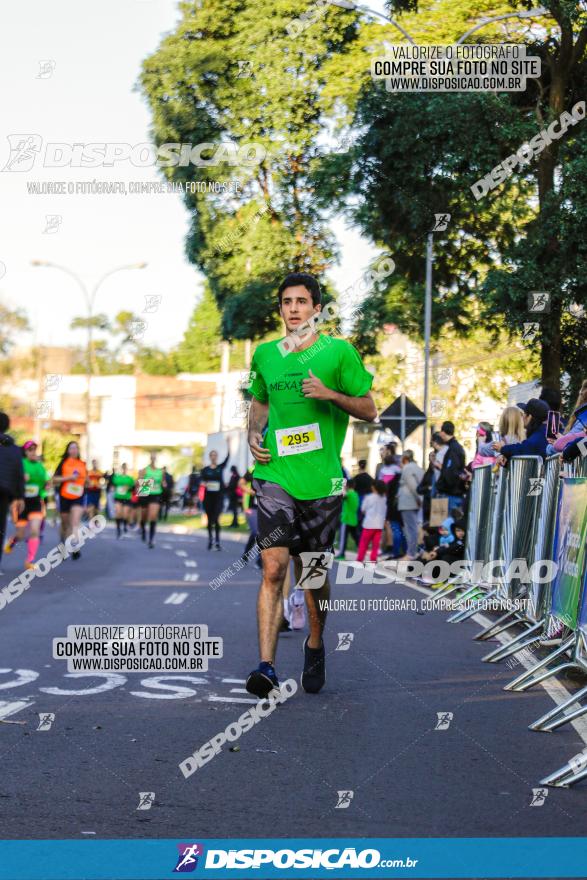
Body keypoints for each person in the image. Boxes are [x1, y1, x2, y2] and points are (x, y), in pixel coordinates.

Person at [245, 271, 377, 698]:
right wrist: (252, 435)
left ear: (316, 309)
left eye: (302, 301)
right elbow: (260, 399)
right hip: (275, 476)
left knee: (314, 575)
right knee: (273, 568)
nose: (294, 309)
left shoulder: (337, 353)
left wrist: (330, 394)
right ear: (281, 307)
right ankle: (266, 666)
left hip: (323, 481)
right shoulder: (265, 355)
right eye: (287, 302)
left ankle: (315, 644)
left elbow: (371, 409)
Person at [4, 441, 50, 569]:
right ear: (25, 452)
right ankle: (12, 542)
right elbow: (11, 479)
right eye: (30, 450)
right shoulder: (21, 464)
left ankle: (29, 560)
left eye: (34, 449)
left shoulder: (40, 466)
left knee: (35, 530)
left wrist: (47, 485)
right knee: (21, 534)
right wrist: (20, 478)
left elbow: (45, 481)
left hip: (35, 501)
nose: (33, 452)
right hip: (21, 502)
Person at [53, 440, 87, 560]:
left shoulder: (82, 464)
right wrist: (69, 478)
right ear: (68, 450)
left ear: (78, 451)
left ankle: (75, 547)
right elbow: (54, 479)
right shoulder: (63, 463)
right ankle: (63, 544)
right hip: (64, 496)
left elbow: (85, 480)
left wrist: (87, 482)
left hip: (78, 496)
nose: (74, 450)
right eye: (71, 448)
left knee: (75, 522)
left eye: (76, 448)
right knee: (65, 524)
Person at [396, 450, 425, 559]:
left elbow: (412, 485)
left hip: (408, 501)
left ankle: (411, 553)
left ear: (405, 459)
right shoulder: (418, 468)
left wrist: (418, 498)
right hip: (414, 501)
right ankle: (413, 551)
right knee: (414, 527)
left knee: (410, 529)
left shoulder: (407, 468)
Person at [435, 421, 466, 512]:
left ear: (443, 433)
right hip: (453, 492)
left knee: (449, 522)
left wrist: (443, 485)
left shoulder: (453, 449)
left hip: (451, 493)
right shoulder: (454, 447)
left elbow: (452, 471)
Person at [356, 480, 386, 562]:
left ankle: (359, 559)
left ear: (373, 487)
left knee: (364, 543)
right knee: (375, 545)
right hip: (379, 525)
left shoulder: (368, 497)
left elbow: (363, 509)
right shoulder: (384, 498)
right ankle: (373, 560)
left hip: (369, 525)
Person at [138, 452, 164, 548]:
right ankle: (143, 529)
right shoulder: (145, 470)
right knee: (144, 515)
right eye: (152, 458)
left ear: (156, 459)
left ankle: (151, 539)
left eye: (154, 458)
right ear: (150, 459)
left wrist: (163, 484)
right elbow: (139, 481)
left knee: (153, 516)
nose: (153, 459)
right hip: (145, 490)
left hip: (156, 493)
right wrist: (144, 481)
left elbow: (162, 482)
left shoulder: (160, 471)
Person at [335, 477, 359, 560]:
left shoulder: (349, 494)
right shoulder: (356, 494)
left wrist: (342, 487)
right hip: (353, 520)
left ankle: (341, 554)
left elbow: (342, 496)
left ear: (347, 486)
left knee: (343, 538)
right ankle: (362, 551)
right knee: (356, 537)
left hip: (346, 520)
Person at [112, 464, 135, 538]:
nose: (124, 470)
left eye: (125, 468)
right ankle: (118, 529)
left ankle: (125, 526)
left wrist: (128, 489)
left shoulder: (130, 479)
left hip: (127, 498)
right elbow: (113, 486)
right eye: (123, 468)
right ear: (121, 469)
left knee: (125, 514)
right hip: (118, 497)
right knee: (118, 513)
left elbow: (133, 488)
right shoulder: (116, 478)